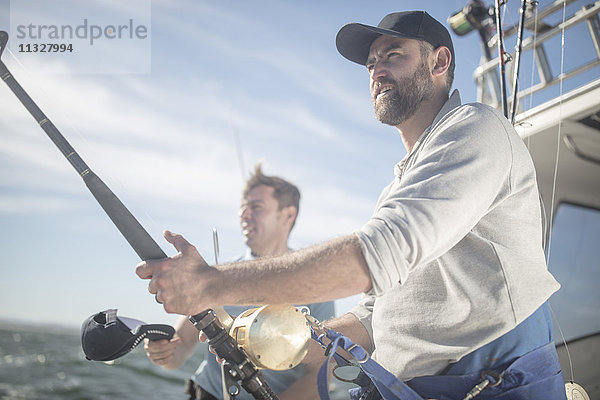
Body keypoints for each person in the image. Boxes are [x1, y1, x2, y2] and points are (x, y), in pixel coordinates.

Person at [137, 11, 566, 399]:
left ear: (439, 62)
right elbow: (372, 321)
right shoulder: (399, 185)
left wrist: (211, 283)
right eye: (371, 64)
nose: (376, 71)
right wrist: (258, 336)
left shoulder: (475, 128)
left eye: (392, 55)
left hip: (497, 383)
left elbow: (375, 255)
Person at [143, 163, 335, 400]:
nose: (243, 214)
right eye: (243, 207)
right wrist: (166, 352)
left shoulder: (316, 285)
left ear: (288, 214)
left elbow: (319, 376)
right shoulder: (219, 275)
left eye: (256, 207)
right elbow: (181, 346)